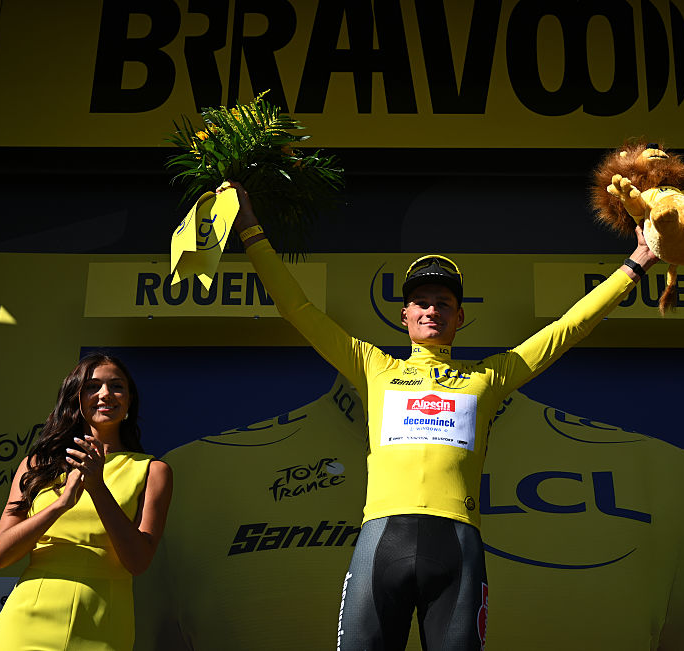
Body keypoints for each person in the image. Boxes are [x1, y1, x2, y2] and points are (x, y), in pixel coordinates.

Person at [224, 180, 657, 650]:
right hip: (381, 539)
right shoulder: (373, 366)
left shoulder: (489, 376)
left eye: (444, 303)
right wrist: (249, 229)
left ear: (460, 317)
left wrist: (637, 263)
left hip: (456, 545)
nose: (433, 310)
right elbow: (297, 308)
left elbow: (569, 327)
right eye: (422, 302)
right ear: (404, 315)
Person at [0, 353, 173, 650]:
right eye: (92, 386)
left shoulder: (152, 470)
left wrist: (97, 488)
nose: (105, 394)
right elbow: (1, 555)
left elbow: (138, 562)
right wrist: (61, 505)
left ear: (129, 401)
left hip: (104, 621)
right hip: (27, 620)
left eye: (116, 386)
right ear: (76, 397)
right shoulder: (36, 464)